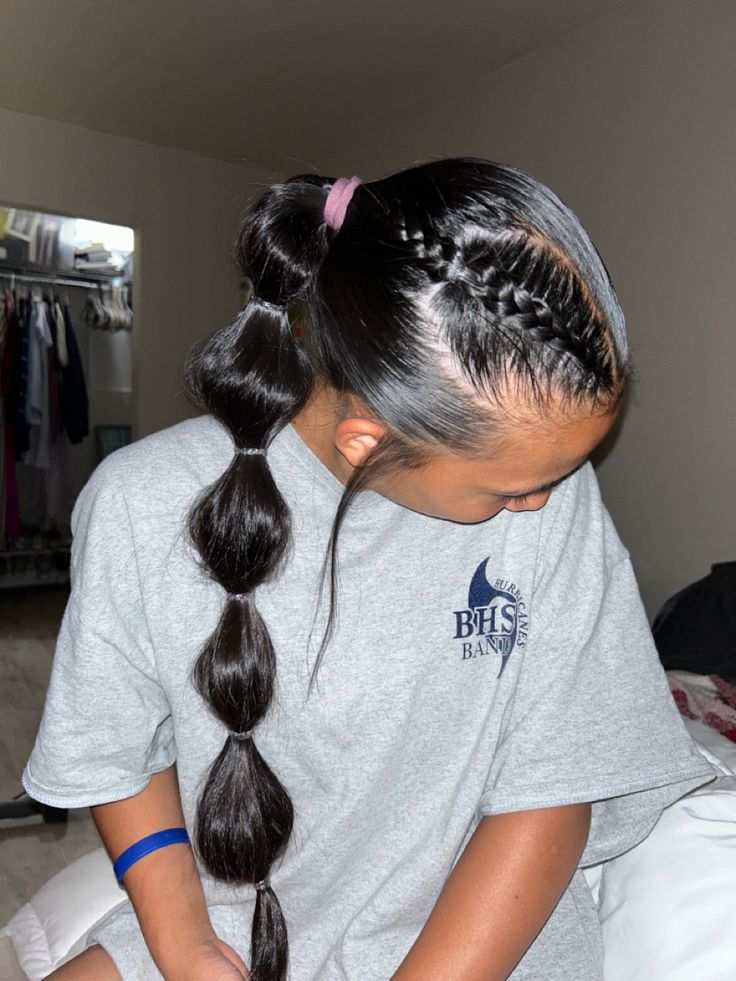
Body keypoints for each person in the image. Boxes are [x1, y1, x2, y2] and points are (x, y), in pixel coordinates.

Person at [23, 158, 715, 981]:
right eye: (511, 488)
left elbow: (555, 789)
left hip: (479, 937)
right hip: (239, 920)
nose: (546, 500)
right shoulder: (141, 504)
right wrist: (186, 943)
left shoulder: (555, 501)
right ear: (370, 443)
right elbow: (114, 751)